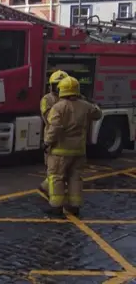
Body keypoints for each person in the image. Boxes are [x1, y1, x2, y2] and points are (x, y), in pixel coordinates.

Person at [43, 76, 102, 217]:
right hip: (79, 151)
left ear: (61, 90)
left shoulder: (58, 107)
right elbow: (98, 114)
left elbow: (55, 128)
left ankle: (56, 207)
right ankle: (74, 206)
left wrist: (47, 142)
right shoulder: (85, 105)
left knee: (56, 177)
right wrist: (88, 101)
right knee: (75, 177)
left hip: (60, 151)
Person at [38, 70, 69, 195]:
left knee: (62, 170)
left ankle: (49, 190)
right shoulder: (47, 99)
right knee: (54, 170)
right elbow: (50, 120)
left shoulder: (69, 100)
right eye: (56, 85)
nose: (58, 88)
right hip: (53, 140)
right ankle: (49, 192)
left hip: (65, 141)